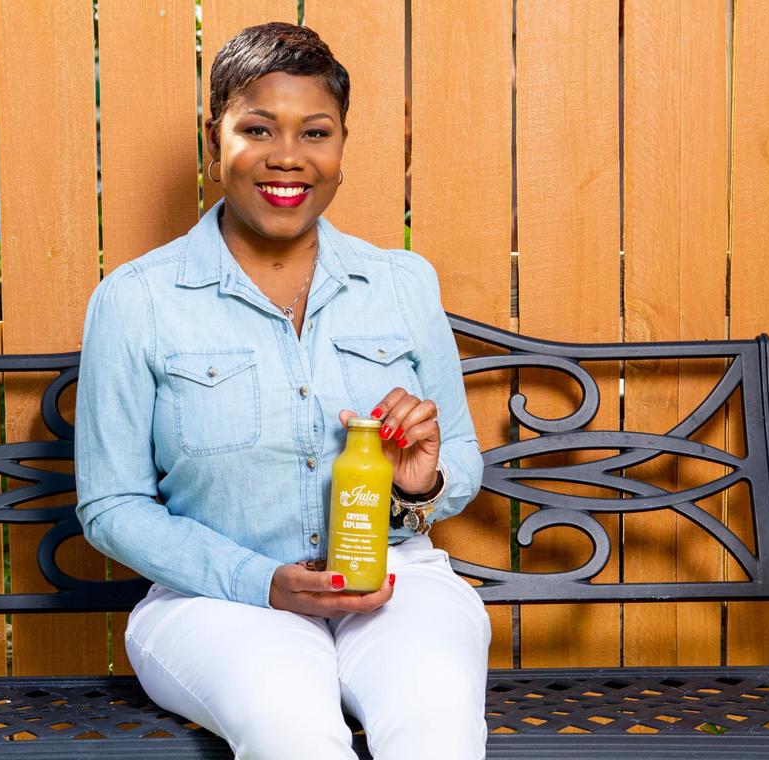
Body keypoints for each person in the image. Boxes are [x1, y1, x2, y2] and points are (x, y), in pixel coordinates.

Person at [75, 22, 490, 760]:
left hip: (396, 579)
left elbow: (457, 451)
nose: (288, 157)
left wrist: (418, 488)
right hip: (215, 599)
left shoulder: (402, 284)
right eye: (258, 129)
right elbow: (111, 506)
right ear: (215, 143)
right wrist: (261, 581)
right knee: (288, 724)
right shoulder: (137, 300)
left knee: (437, 717)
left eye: (315, 132)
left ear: (341, 149)